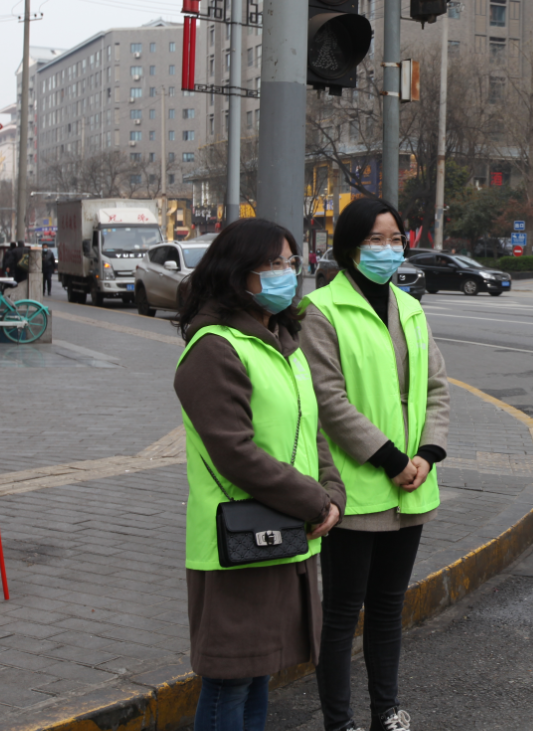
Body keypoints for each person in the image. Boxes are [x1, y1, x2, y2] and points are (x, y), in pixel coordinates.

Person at [173, 219, 346, 731]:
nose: (286, 273)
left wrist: (334, 491)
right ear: (237, 272)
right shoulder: (214, 348)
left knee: (257, 676)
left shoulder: (283, 342)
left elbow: (311, 427)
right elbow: (236, 452)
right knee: (229, 680)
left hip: (283, 531)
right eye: (272, 264)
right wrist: (314, 502)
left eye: (291, 262)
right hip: (236, 542)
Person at [300, 197, 450, 731]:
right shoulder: (320, 310)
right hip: (357, 489)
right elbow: (329, 400)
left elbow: (436, 388)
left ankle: (387, 711)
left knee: (388, 608)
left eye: (395, 240)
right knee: (343, 613)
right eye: (375, 241)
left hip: (411, 486)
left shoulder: (410, 307)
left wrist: (426, 455)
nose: (388, 250)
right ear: (349, 248)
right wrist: (390, 459)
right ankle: (339, 722)